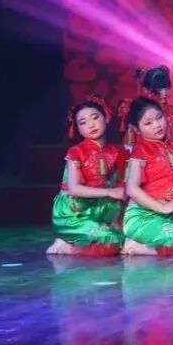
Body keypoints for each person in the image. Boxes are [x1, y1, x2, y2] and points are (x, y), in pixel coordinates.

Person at [122, 97, 173, 255]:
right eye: (148, 123)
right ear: (136, 129)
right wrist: (162, 208)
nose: (157, 125)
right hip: (144, 215)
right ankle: (135, 247)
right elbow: (131, 189)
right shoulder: (140, 152)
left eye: (159, 117)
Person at [47, 96, 126, 256]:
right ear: (78, 129)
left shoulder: (116, 152)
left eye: (95, 117)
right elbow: (74, 189)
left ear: (106, 118)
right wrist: (110, 192)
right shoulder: (76, 152)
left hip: (98, 207)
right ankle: (66, 246)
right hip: (74, 210)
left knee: (124, 237)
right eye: (83, 122)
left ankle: (78, 240)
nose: (91, 125)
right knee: (109, 240)